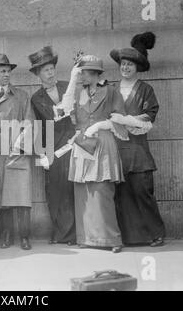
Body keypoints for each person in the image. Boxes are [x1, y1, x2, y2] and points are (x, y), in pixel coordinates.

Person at [60, 54, 143, 253]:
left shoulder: (111, 91)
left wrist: (99, 124)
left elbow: (120, 119)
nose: (81, 77)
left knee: (102, 190)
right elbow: (64, 109)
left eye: (84, 73)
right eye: (80, 73)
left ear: (95, 74)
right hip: (82, 142)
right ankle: (87, 238)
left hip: (103, 141)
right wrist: (72, 79)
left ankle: (112, 239)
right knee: (83, 192)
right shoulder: (78, 91)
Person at [110, 31, 166, 247]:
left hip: (138, 151)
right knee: (122, 196)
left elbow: (148, 118)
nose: (125, 68)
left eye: (130, 65)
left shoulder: (145, 90)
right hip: (117, 151)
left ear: (137, 68)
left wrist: (126, 120)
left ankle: (156, 233)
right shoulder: (112, 89)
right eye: (123, 64)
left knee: (143, 193)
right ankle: (130, 237)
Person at [0, 53, 35, 251]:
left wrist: (19, 147)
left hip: (17, 153)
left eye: (8, 71)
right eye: (2, 71)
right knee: (0, 194)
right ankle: (6, 235)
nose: (6, 74)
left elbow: (28, 123)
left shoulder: (21, 96)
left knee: (21, 196)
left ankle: (24, 237)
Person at [28, 46, 76, 246]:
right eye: (45, 70)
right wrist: (42, 155)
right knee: (55, 191)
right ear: (38, 74)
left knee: (74, 189)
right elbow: (41, 125)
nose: (50, 73)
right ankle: (61, 234)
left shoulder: (68, 87)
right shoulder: (36, 98)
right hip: (53, 148)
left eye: (52, 68)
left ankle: (77, 234)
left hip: (75, 144)